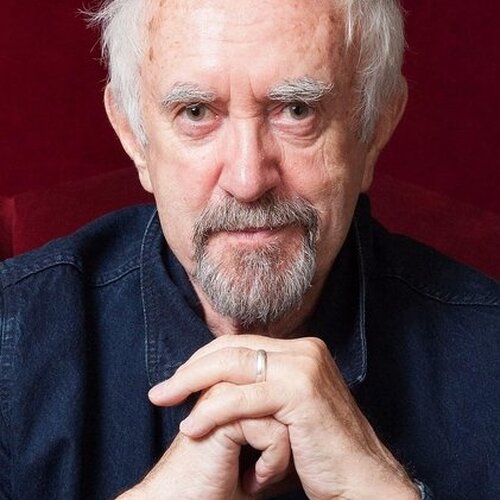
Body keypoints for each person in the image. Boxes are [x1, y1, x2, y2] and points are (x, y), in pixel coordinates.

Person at [0, 0, 498, 498]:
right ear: (134, 136)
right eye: (196, 112)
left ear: (374, 128)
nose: (248, 180)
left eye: (297, 110)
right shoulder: (13, 345)